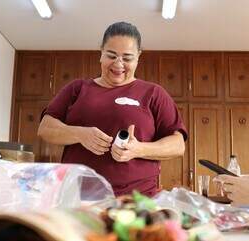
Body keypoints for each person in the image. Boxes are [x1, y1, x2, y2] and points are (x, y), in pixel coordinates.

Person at [38, 21, 187, 197]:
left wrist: (138, 149)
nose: (118, 64)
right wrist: (80, 134)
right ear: (101, 52)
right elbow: (45, 128)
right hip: (78, 197)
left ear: (138, 57)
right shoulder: (77, 88)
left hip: (136, 200)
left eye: (127, 58)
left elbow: (178, 145)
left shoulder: (153, 93)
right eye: (111, 55)